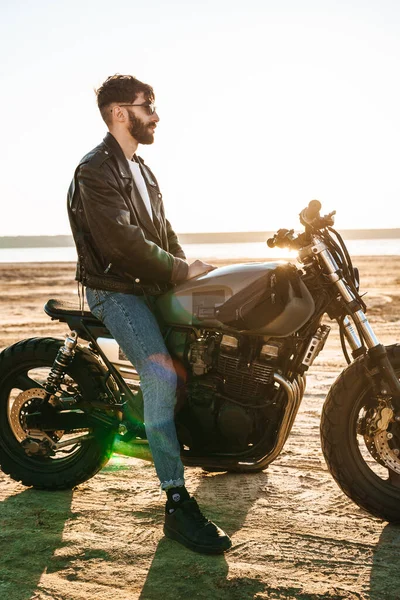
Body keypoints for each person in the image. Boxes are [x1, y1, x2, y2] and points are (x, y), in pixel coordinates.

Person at [67, 74, 232, 554]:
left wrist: (191, 274)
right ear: (120, 113)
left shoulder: (142, 169)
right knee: (160, 377)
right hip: (115, 291)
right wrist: (179, 270)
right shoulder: (95, 171)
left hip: (151, 285)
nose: (156, 115)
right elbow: (123, 243)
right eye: (148, 106)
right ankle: (177, 503)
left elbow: (164, 233)